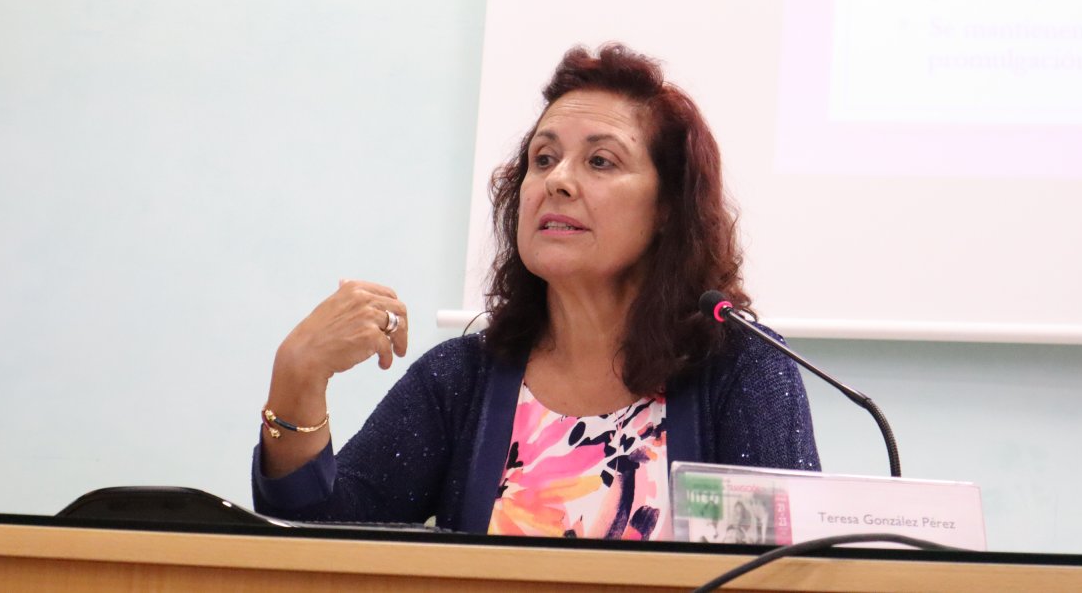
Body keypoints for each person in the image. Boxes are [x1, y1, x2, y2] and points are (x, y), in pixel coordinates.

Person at [252, 43, 820, 540]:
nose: (558, 180)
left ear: (669, 209)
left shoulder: (742, 373)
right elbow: (322, 545)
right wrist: (298, 376)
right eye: (542, 159)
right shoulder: (461, 378)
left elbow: (787, 573)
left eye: (600, 161)